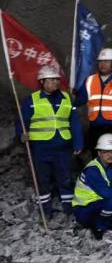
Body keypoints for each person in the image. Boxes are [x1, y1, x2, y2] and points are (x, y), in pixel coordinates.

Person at [15, 64, 84, 217]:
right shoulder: (32, 100)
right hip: (40, 148)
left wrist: (78, 142)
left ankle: (68, 210)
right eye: (51, 80)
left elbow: (74, 122)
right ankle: (45, 210)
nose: (55, 82)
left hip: (62, 147)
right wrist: (21, 134)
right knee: (42, 179)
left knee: (65, 177)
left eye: (57, 79)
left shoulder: (66, 98)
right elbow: (21, 121)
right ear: (42, 81)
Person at [76, 47, 112, 155]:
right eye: (101, 61)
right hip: (95, 127)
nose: (103, 64)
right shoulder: (89, 80)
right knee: (96, 157)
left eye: (106, 61)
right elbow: (80, 100)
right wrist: (74, 94)